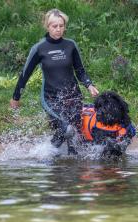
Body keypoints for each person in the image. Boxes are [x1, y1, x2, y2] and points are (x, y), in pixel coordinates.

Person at [10, 8, 99, 154]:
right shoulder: (39, 48)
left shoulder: (70, 45)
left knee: (73, 139)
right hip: (51, 99)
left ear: (64, 26)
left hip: (73, 97)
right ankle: (45, 156)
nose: (58, 29)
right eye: (54, 26)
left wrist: (89, 85)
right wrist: (16, 97)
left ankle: (49, 157)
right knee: (67, 129)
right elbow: (25, 74)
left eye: (61, 26)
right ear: (47, 26)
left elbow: (80, 70)